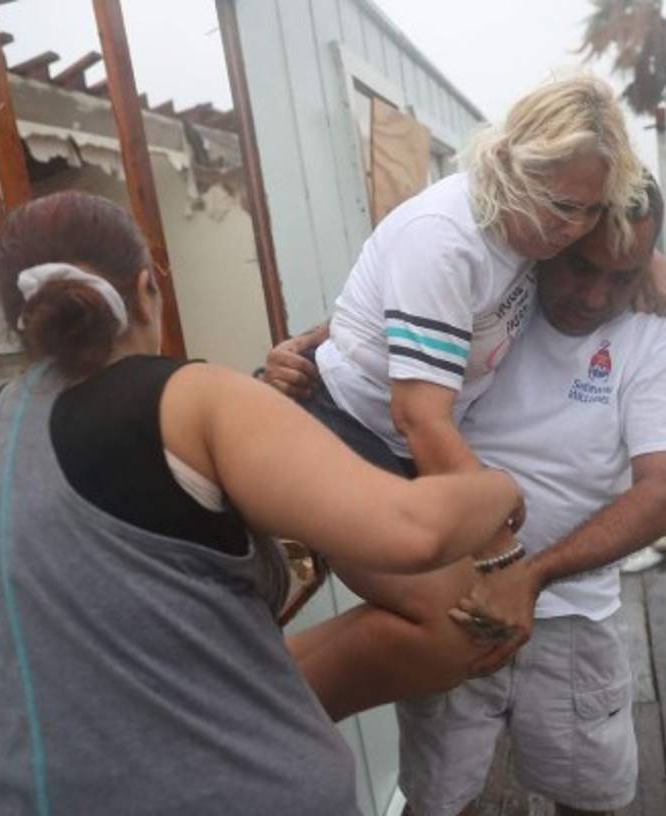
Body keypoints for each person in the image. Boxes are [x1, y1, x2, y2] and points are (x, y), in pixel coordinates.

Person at [0, 191, 522, 814]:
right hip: (225, 798)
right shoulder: (188, 399)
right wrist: (500, 488)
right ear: (147, 288)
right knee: (456, 622)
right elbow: (415, 531)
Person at [274, 74, 645, 717]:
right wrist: (501, 553)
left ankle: (267, 709)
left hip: (397, 453)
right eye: (562, 207)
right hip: (341, 435)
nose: (574, 228)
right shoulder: (448, 239)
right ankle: (254, 719)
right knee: (457, 630)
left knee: (467, 632)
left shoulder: (528, 226)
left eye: (591, 211)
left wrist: (651, 265)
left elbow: (616, 220)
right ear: (509, 162)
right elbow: (419, 415)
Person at [396, 176, 666, 816]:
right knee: (436, 802)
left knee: (590, 799)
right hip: (450, 599)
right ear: (551, 238)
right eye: (580, 267)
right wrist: (312, 347)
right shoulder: (488, 286)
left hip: (575, 614)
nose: (595, 296)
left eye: (624, 275)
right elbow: (395, 316)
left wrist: (532, 576)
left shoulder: (656, 327)